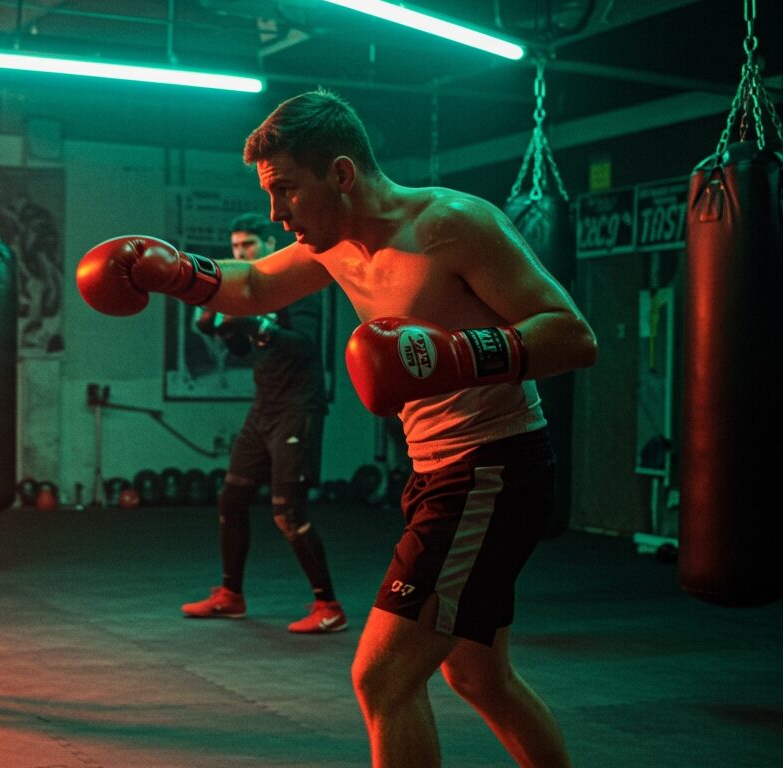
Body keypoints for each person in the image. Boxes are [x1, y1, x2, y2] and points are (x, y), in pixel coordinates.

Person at [75, 87, 596, 768]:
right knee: (478, 675)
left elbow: (573, 336)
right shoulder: (333, 246)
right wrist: (177, 273)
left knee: (382, 677)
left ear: (342, 174)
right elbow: (256, 286)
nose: (274, 211)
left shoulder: (455, 225)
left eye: (286, 189)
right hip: (442, 472)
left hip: (492, 470)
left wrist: (457, 354)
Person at [180, 212, 346, 634]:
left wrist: (257, 325)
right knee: (231, 499)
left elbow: (307, 347)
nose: (241, 254)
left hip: (299, 408)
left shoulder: (299, 288)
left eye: (249, 246)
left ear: (270, 245)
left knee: (288, 512)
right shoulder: (247, 290)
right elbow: (244, 351)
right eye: (236, 248)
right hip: (264, 407)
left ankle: (328, 606)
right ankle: (231, 596)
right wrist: (220, 331)